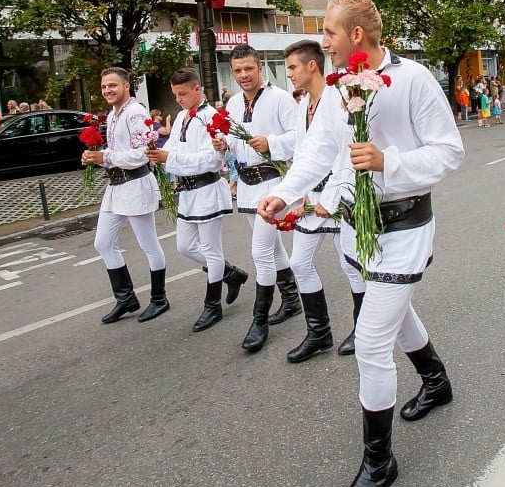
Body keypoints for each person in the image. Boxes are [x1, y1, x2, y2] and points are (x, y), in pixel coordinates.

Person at [258, 0, 464, 487]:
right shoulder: (334, 90)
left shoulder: (413, 79)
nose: (321, 39)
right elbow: (318, 152)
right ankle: (436, 381)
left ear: (354, 36)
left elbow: (449, 152)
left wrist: (388, 161)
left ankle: (379, 462)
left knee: (372, 342)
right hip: (358, 232)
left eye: (327, 31)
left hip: (404, 231)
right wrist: (283, 193)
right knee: (392, 314)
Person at [279, 40, 366, 362]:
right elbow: (304, 154)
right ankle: (319, 333)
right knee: (299, 262)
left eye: (292, 67)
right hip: (311, 197)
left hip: (339, 195)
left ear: (311, 65)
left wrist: (327, 200)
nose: (288, 73)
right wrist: (296, 193)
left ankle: (362, 327)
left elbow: (343, 154)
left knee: (350, 264)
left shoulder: (339, 98)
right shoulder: (303, 105)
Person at [145, 68, 249, 332]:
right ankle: (231, 274)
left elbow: (213, 161)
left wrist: (172, 160)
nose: (178, 99)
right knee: (184, 246)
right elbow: (174, 146)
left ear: (196, 89)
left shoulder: (212, 117)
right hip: (188, 193)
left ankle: (212, 305)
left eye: (182, 93)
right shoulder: (181, 116)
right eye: (175, 94)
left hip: (207, 189)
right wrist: (160, 153)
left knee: (211, 249)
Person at [217, 43, 299, 352]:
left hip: (274, 184)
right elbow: (235, 146)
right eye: (237, 70)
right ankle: (292, 299)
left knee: (261, 253)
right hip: (248, 187)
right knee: (274, 249)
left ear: (260, 67)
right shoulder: (234, 104)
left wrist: (272, 142)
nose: (243, 75)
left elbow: (299, 138)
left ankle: (259, 320)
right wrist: (223, 145)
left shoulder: (280, 99)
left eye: (248, 68)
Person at [81, 68, 170, 324]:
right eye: (104, 86)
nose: (108, 90)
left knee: (148, 244)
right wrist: (95, 157)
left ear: (126, 86)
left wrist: (105, 156)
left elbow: (142, 154)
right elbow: (116, 151)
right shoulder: (112, 114)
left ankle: (159, 298)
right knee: (103, 243)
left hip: (136, 184)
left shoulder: (136, 113)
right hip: (116, 187)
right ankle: (125, 298)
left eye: (113, 85)